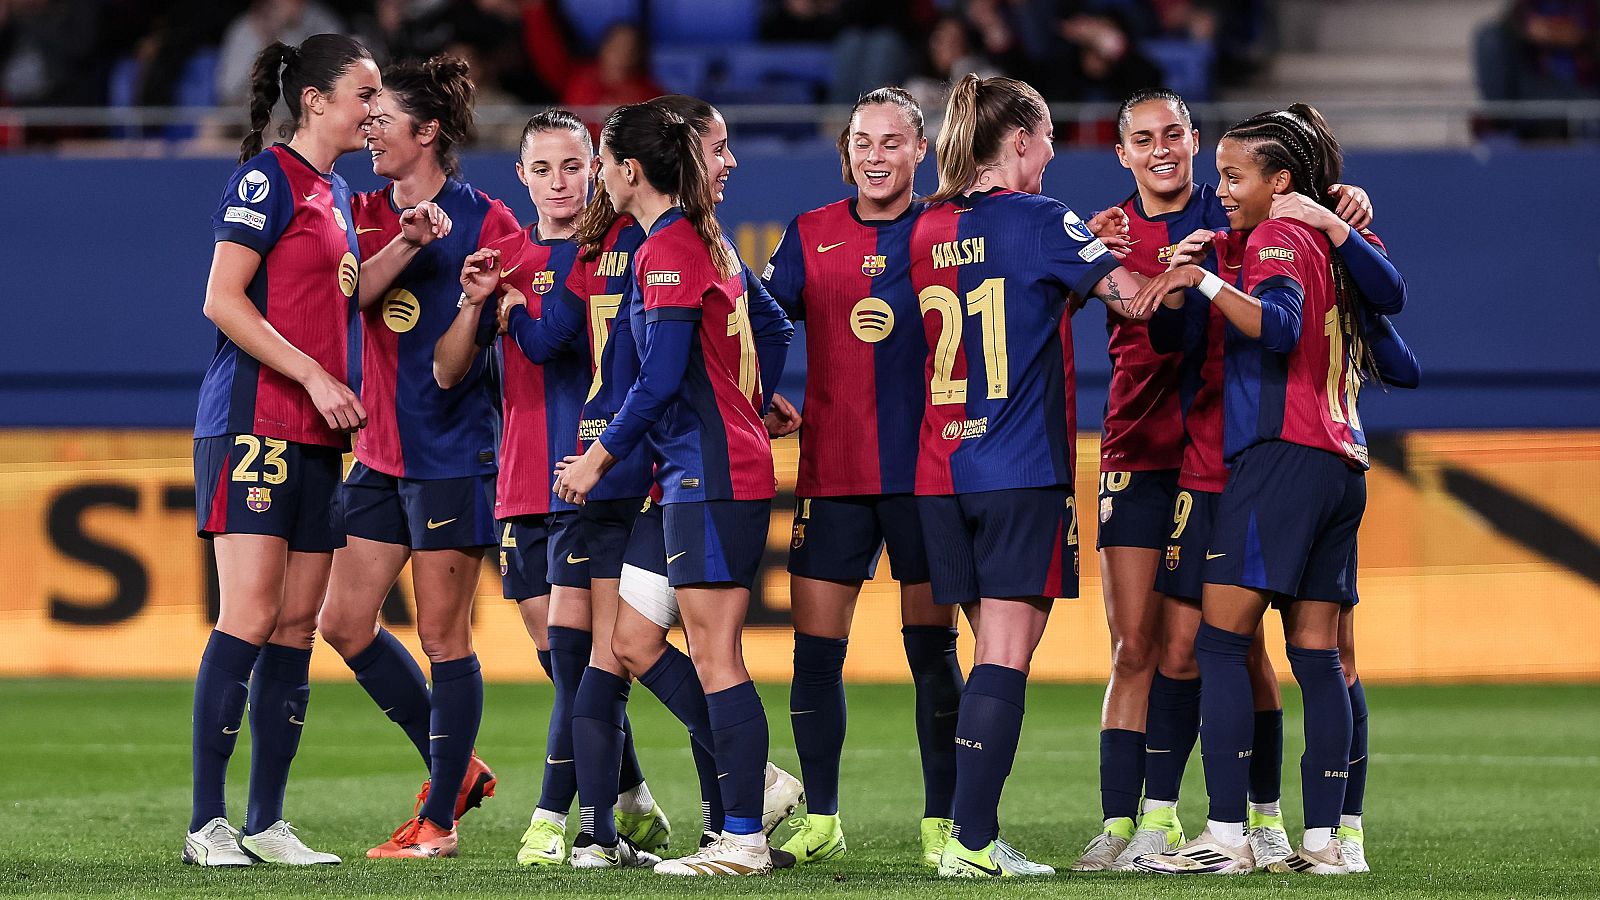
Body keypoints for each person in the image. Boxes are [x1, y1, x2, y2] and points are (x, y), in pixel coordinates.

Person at [1129, 103, 1412, 876]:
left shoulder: (1279, 237)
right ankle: (1329, 842)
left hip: (1279, 458)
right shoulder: (1330, 243)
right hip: (1342, 462)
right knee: (1320, 655)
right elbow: (1400, 349)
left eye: (1232, 176)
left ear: (1281, 180)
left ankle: (1227, 837)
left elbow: (1280, 326)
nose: (1219, 190)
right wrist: (1209, 263)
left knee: (1220, 642)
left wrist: (1202, 279)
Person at [908, 73, 1153, 878]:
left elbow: (1006, 305)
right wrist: (1189, 270)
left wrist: (1081, 253)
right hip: (1020, 469)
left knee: (987, 652)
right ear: (1019, 140)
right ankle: (973, 843)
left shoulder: (927, 226)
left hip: (942, 471)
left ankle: (966, 834)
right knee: (1005, 658)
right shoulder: (1046, 220)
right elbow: (1136, 303)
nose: (1051, 153)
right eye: (1047, 138)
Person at [551, 99, 795, 877]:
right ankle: (756, 778)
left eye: (600, 161)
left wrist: (596, 461)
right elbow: (772, 328)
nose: (596, 175)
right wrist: (750, 399)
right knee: (629, 640)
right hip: (684, 478)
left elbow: (657, 381)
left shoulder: (669, 249)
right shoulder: (699, 239)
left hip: (711, 476)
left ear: (629, 170)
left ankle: (744, 839)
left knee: (718, 656)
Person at [440, 108, 669, 869]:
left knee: (586, 663)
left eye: (573, 166)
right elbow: (448, 371)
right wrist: (475, 302)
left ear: (597, 169)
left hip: (603, 479)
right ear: (522, 176)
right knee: (566, 664)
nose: (560, 182)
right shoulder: (502, 256)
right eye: (543, 169)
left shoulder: (627, 244)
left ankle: (558, 821)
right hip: (523, 483)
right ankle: (628, 795)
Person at [311, 54, 522, 861]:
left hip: (454, 455)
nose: (369, 134)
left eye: (383, 122)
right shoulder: (358, 210)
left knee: (444, 638)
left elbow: (500, 332)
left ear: (427, 131)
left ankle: (439, 822)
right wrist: (405, 244)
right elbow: (346, 298)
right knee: (343, 623)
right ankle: (456, 768)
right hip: (379, 453)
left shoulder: (489, 220)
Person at [759, 86, 964, 869]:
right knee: (815, 655)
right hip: (833, 473)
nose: (876, 157)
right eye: (863, 143)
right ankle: (822, 818)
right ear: (846, 152)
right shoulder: (810, 233)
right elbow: (757, 322)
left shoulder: (948, 230)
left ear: (921, 150)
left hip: (927, 475)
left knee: (933, 655)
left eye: (892, 142)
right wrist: (757, 393)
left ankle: (942, 822)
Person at [186, 33, 377, 868]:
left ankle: (266, 823)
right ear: (316, 101)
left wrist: (406, 245)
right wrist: (314, 376)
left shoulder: (337, 192)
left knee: (297, 625)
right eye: (365, 94)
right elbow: (222, 300)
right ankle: (206, 825)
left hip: (316, 433)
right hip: (254, 421)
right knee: (251, 614)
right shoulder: (266, 179)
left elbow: (333, 300)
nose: (375, 110)